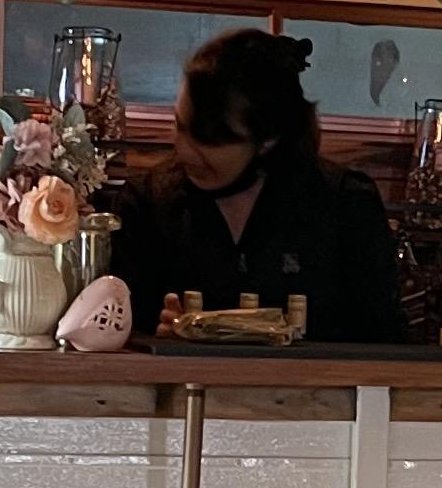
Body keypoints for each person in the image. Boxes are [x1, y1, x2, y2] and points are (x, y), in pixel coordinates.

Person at [111, 27, 409, 343]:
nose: (184, 150)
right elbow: (113, 334)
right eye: (180, 125)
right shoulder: (146, 203)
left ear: (268, 139)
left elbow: (383, 341)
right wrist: (155, 341)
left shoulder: (345, 205)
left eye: (209, 138)